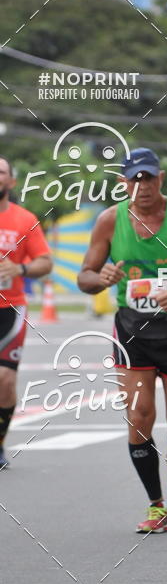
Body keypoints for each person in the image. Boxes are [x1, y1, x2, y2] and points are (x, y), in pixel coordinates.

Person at [77, 148, 167, 532]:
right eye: (135, 180)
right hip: (132, 330)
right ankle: (156, 506)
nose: (143, 187)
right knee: (139, 418)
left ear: (161, 179)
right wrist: (100, 279)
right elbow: (84, 276)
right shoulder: (109, 221)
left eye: (149, 178)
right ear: (123, 183)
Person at [0, 158, 53, 470]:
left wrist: (20, 268)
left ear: (11, 181)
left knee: (5, 380)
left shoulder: (25, 220)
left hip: (10, 308)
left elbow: (45, 262)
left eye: (1, 172)